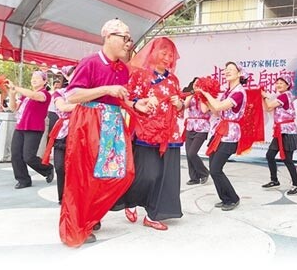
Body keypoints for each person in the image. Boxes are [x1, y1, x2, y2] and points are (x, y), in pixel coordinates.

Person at [59, 18, 137, 247]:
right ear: (108, 37)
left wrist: (138, 105)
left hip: (112, 126)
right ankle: (76, 226)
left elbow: (122, 100)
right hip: (89, 125)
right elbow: (71, 96)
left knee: (122, 173)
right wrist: (105, 89)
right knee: (83, 177)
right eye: (124, 38)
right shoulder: (90, 63)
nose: (128, 43)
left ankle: (90, 216)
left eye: (129, 38)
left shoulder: (123, 70)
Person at [122, 37, 184, 231]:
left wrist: (179, 103)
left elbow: (181, 107)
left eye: (171, 55)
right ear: (154, 52)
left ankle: (153, 214)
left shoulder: (173, 79)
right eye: (164, 53)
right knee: (147, 174)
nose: (167, 58)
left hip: (169, 133)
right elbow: (127, 98)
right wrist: (143, 101)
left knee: (165, 176)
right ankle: (130, 201)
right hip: (146, 131)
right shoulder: (140, 75)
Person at [194, 61, 247, 211]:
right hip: (219, 131)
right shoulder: (227, 92)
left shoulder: (238, 92)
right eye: (226, 70)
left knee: (216, 169)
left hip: (230, 134)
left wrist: (205, 93)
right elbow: (215, 111)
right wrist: (203, 97)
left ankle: (233, 198)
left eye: (231, 69)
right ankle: (225, 198)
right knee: (213, 168)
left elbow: (217, 106)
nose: (227, 72)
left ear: (239, 74)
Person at [6, 71, 54, 189]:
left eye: (37, 78)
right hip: (20, 127)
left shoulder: (45, 94)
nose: (33, 79)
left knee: (29, 157)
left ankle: (47, 168)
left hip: (34, 128)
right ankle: (23, 180)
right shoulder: (25, 95)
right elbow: (13, 108)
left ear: (44, 81)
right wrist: (12, 94)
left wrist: (16, 87)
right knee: (16, 155)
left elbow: (34, 96)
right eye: (32, 77)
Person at [261, 75, 297, 195]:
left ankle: (296, 184)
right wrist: (263, 98)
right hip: (280, 131)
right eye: (277, 83)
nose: (278, 85)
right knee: (270, 155)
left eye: (281, 83)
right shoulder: (282, 96)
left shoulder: (285, 95)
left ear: (288, 85)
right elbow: (268, 109)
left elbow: (268, 106)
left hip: (287, 132)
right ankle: (274, 180)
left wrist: (264, 96)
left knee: (287, 159)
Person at [42, 65, 77, 205]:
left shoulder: (88, 91)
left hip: (82, 130)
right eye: (72, 73)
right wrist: (84, 103)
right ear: (66, 76)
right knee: (60, 166)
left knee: (77, 167)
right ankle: (62, 197)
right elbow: (62, 107)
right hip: (63, 131)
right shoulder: (60, 92)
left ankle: (75, 196)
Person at [183, 77, 210, 185]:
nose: (196, 85)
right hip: (190, 126)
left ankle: (204, 172)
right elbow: (184, 106)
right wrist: (191, 94)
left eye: (199, 84)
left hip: (202, 127)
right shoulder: (190, 95)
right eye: (194, 83)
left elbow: (204, 110)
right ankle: (194, 177)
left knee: (192, 153)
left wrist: (201, 95)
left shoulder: (207, 97)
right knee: (188, 153)